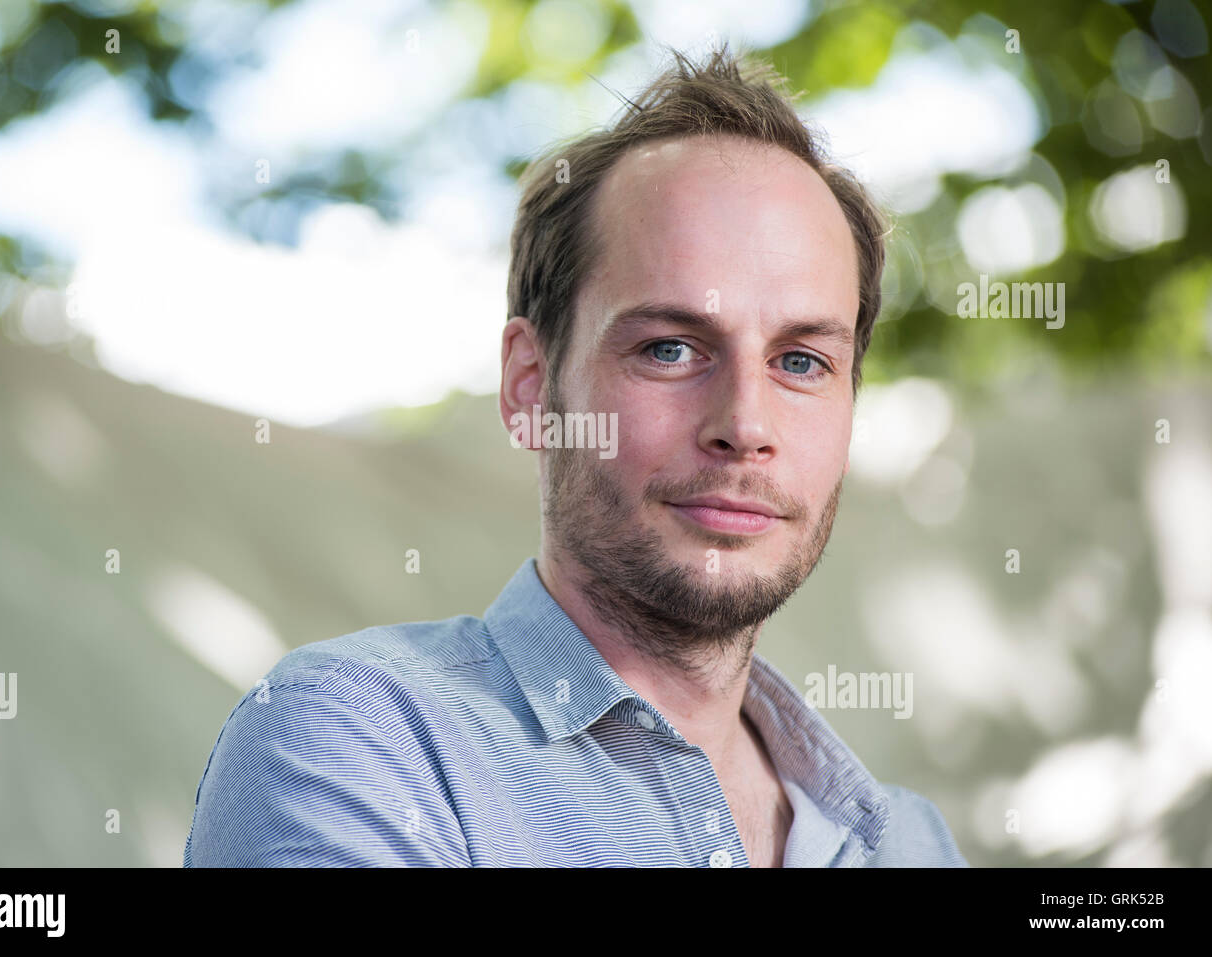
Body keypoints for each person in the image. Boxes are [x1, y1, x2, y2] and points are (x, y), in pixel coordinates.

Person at [184, 43, 968, 868]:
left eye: (801, 362)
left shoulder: (907, 842)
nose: (745, 423)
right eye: (669, 348)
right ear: (531, 386)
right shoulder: (358, 742)